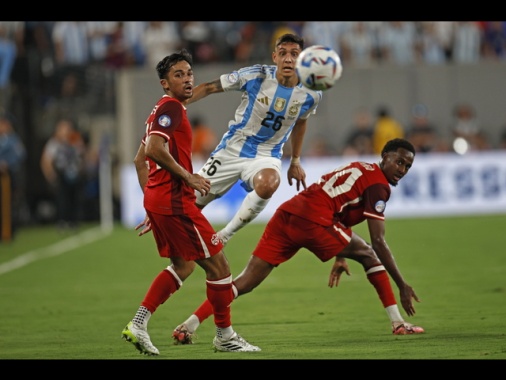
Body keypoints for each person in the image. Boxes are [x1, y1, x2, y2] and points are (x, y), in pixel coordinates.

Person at [172, 138, 425, 345]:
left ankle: (189, 325)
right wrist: (402, 285)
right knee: (370, 254)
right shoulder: (379, 186)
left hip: (289, 213)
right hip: (315, 220)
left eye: (407, 166)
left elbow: (341, 210)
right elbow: (378, 241)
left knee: (245, 281)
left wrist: (341, 254)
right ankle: (398, 323)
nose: (401, 170)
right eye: (399, 162)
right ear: (384, 157)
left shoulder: (362, 167)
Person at [121, 49, 260, 356]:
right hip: (175, 201)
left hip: (161, 201)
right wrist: (188, 177)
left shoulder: (160, 109)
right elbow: (154, 150)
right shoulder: (171, 107)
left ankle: (138, 323)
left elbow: (138, 160)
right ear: (164, 83)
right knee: (221, 268)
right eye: (178, 75)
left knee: (182, 266)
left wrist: (149, 202)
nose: (187, 79)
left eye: (189, 73)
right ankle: (225, 336)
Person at [175, 33, 322, 246]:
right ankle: (180, 255)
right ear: (274, 57)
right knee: (189, 206)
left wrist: (296, 160)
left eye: (294, 54)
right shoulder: (256, 76)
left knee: (270, 182)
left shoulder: (311, 94)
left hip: (267, 154)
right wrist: (178, 105)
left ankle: (223, 236)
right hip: (232, 149)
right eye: (283, 54)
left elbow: (300, 122)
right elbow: (208, 87)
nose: (288, 59)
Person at [40, 117, 85, 231]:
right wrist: (50, 175)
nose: (66, 131)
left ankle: (73, 221)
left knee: (75, 198)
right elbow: (46, 159)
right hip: (61, 173)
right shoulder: (54, 142)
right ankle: (62, 221)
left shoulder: (74, 139)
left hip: (74, 174)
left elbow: (82, 154)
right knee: (62, 199)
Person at [0, 113, 26, 241]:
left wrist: (7, 164)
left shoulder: (13, 139)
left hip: (9, 175)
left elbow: (20, 154)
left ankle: (10, 230)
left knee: (10, 203)